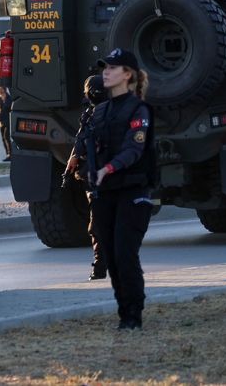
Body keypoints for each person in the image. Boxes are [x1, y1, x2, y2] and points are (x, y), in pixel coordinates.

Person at [66, 48, 154, 329]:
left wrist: (108, 168)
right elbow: (86, 138)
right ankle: (124, 313)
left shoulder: (139, 109)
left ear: (127, 75)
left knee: (125, 254)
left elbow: (134, 149)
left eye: (113, 68)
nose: (106, 71)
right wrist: (78, 158)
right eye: (105, 67)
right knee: (112, 257)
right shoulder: (100, 110)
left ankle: (133, 317)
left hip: (133, 190)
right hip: (105, 193)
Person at [65, 74, 109, 280]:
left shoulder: (95, 116)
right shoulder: (108, 113)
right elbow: (80, 145)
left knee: (98, 225)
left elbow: (81, 144)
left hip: (101, 178)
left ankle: (101, 266)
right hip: (110, 176)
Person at [0, 83, 13, 160]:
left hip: (7, 121)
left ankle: (10, 154)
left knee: (6, 137)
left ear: (4, 89)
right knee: (3, 138)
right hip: (1, 122)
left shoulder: (9, 98)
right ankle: (8, 154)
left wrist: (0, 115)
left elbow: (7, 108)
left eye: (0, 89)